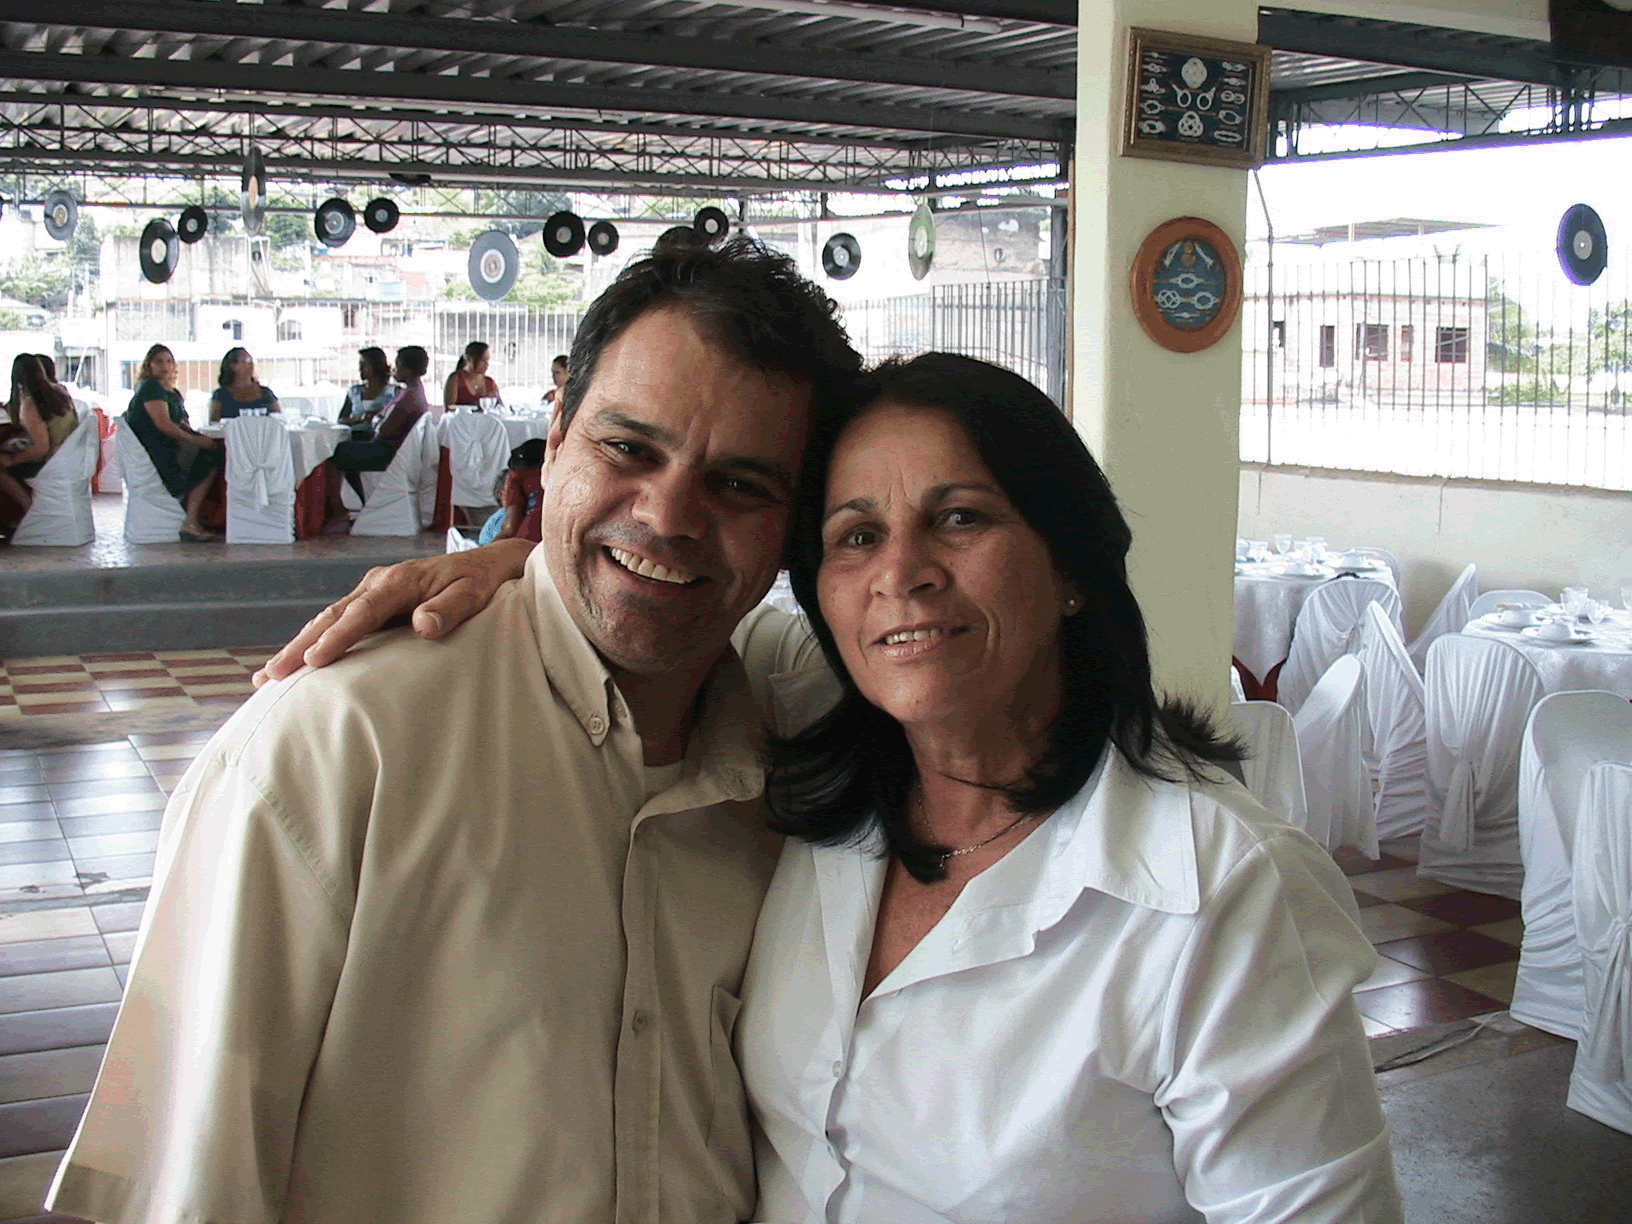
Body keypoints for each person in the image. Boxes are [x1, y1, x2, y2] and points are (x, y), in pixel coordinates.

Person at [251, 355, 1403, 1224]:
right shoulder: (818, 752)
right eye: (855, 537)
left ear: (1070, 566)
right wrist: (526, 555)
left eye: (960, 517)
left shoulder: (1217, 892)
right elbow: (655, 598)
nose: (901, 574)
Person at [47, 235, 862, 1224]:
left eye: (740, 485)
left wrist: (513, 554)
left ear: (795, 523)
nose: (670, 514)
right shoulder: (338, 750)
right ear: (554, 439)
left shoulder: (796, 738)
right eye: (628, 449)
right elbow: (187, 1192)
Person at [121, 343, 224, 542]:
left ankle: (204, 517)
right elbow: (165, 425)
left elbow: (182, 424)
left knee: (213, 449)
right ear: (149, 365)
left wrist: (199, 437)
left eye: (169, 361)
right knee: (212, 456)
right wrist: (197, 442)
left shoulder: (171, 392)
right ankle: (191, 521)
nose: (165, 366)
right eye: (159, 361)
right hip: (159, 452)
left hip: (171, 447)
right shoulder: (151, 388)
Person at [324, 344, 430, 524]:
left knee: (336, 453)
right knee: (346, 450)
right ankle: (362, 503)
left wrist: (377, 421)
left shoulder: (407, 397)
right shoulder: (414, 392)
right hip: (397, 451)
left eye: (398, 365)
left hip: (389, 453)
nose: (393, 369)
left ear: (407, 369)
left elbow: (384, 431)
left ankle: (338, 507)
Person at [0, 354, 78, 540]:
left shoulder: (31, 403)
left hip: (49, 463)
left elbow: (40, 449)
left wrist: (11, 459)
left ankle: (30, 515)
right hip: (67, 459)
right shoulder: (61, 394)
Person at [482, 437, 545, 544]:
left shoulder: (516, 476)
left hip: (526, 544)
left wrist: (487, 550)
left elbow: (510, 528)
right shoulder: (560, 474)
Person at [336, 345, 399, 434]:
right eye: (360, 365)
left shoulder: (394, 392)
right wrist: (359, 419)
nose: (360, 369)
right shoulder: (354, 392)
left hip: (383, 438)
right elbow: (341, 419)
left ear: (376, 366)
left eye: (364, 364)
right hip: (356, 437)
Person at [209, 346, 281, 421]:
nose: (252, 363)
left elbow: (279, 420)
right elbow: (214, 423)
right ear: (233, 366)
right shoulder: (221, 395)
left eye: (252, 360)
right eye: (248, 360)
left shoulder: (266, 393)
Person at [444, 339, 502, 410]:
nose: (487, 364)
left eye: (487, 360)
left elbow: (500, 407)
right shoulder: (456, 379)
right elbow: (449, 408)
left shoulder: (490, 382)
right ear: (469, 360)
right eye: (483, 360)